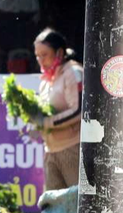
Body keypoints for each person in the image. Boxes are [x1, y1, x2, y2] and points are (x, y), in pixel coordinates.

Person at [32, 28, 84, 190]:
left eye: (44, 54)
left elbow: (79, 110)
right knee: (53, 206)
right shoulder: (46, 80)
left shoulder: (73, 73)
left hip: (72, 148)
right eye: (37, 56)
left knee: (76, 204)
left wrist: (46, 122)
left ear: (59, 53)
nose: (40, 60)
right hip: (51, 150)